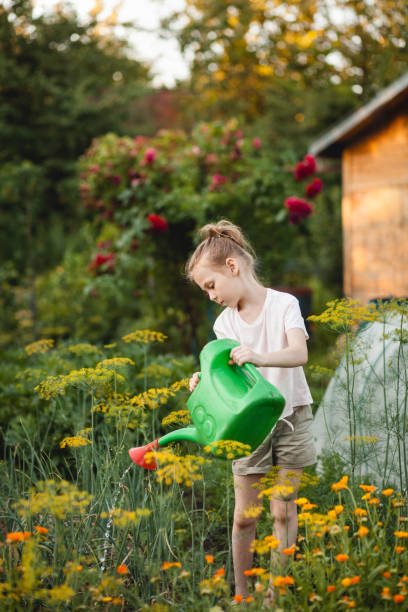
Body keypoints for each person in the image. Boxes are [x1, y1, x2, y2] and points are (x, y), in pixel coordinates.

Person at [186, 219, 316, 601]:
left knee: (284, 511)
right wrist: (202, 379)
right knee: (246, 516)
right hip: (249, 428)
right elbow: (224, 378)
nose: (210, 295)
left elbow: (300, 353)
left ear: (232, 267)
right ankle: (243, 595)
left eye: (210, 286)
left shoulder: (284, 305)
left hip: (293, 417)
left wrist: (259, 357)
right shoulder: (225, 323)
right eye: (204, 290)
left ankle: (277, 596)